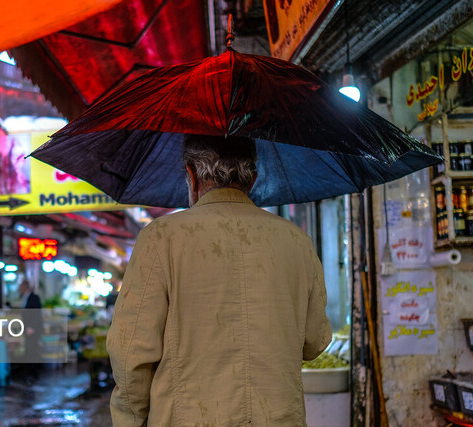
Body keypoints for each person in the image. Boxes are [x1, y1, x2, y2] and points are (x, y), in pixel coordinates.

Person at [106, 135, 332, 426]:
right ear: (253, 180)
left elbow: (130, 354)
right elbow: (315, 342)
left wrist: (131, 421)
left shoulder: (161, 237)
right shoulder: (296, 240)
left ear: (191, 175)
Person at [18, 279, 42, 382]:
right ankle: (30, 373)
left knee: (32, 351)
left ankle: (32, 373)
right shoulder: (24, 298)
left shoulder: (34, 298)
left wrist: (32, 327)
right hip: (27, 329)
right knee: (29, 351)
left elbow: (37, 315)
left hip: (33, 330)